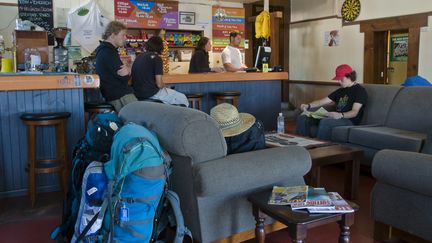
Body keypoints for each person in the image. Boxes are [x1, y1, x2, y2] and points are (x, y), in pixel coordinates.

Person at [296, 64, 368, 140]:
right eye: (338, 79)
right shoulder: (340, 90)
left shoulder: (360, 91)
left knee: (326, 122)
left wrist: (340, 115)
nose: (339, 81)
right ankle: (303, 144)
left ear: (350, 77)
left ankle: (320, 147)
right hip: (335, 117)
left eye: (341, 79)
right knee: (303, 118)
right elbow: (322, 101)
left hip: (349, 120)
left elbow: (354, 112)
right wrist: (308, 105)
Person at [132, 36, 189, 107]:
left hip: (137, 94)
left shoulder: (139, 57)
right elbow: (159, 84)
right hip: (151, 93)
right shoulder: (157, 58)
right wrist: (166, 86)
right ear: (160, 46)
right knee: (182, 98)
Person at [95, 21, 137, 113]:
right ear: (113, 35)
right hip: (120, 96)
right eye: (123, 35)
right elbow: (124, 77)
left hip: (115, 95)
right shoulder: (108, 52)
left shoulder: (105, 50)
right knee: (142, 120)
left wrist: (127, 68)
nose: (125, 38)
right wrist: (129, 69)